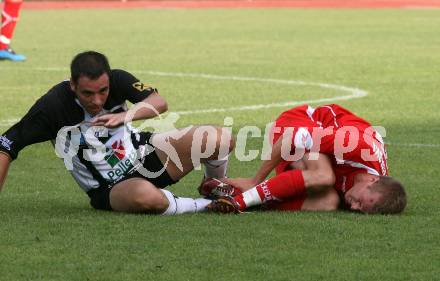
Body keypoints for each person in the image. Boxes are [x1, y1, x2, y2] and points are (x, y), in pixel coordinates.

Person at [0, 51, 235, 214]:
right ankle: (204, 205)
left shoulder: (118, 78)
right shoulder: (52, 107)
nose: (97, 100)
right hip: (111, 188)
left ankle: (214, 186)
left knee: (220, 138)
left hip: (146, 154)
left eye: (103, 91)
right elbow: (7, 145)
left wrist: (125, 116)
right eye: (87, 94)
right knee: (146, 197)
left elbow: (159, 101)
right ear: (73, 85)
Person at [205, 104, 406, 215]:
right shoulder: (356, 144)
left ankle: (245, 199)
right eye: (361, 203)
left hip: (315, 156)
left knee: (329, 202)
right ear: (372, 180)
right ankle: (242, 200)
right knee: (324, 176)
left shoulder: (377, 187)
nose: (353, 207)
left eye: (361, 210)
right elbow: (290, 137)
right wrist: (256, 179)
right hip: (298, 124)